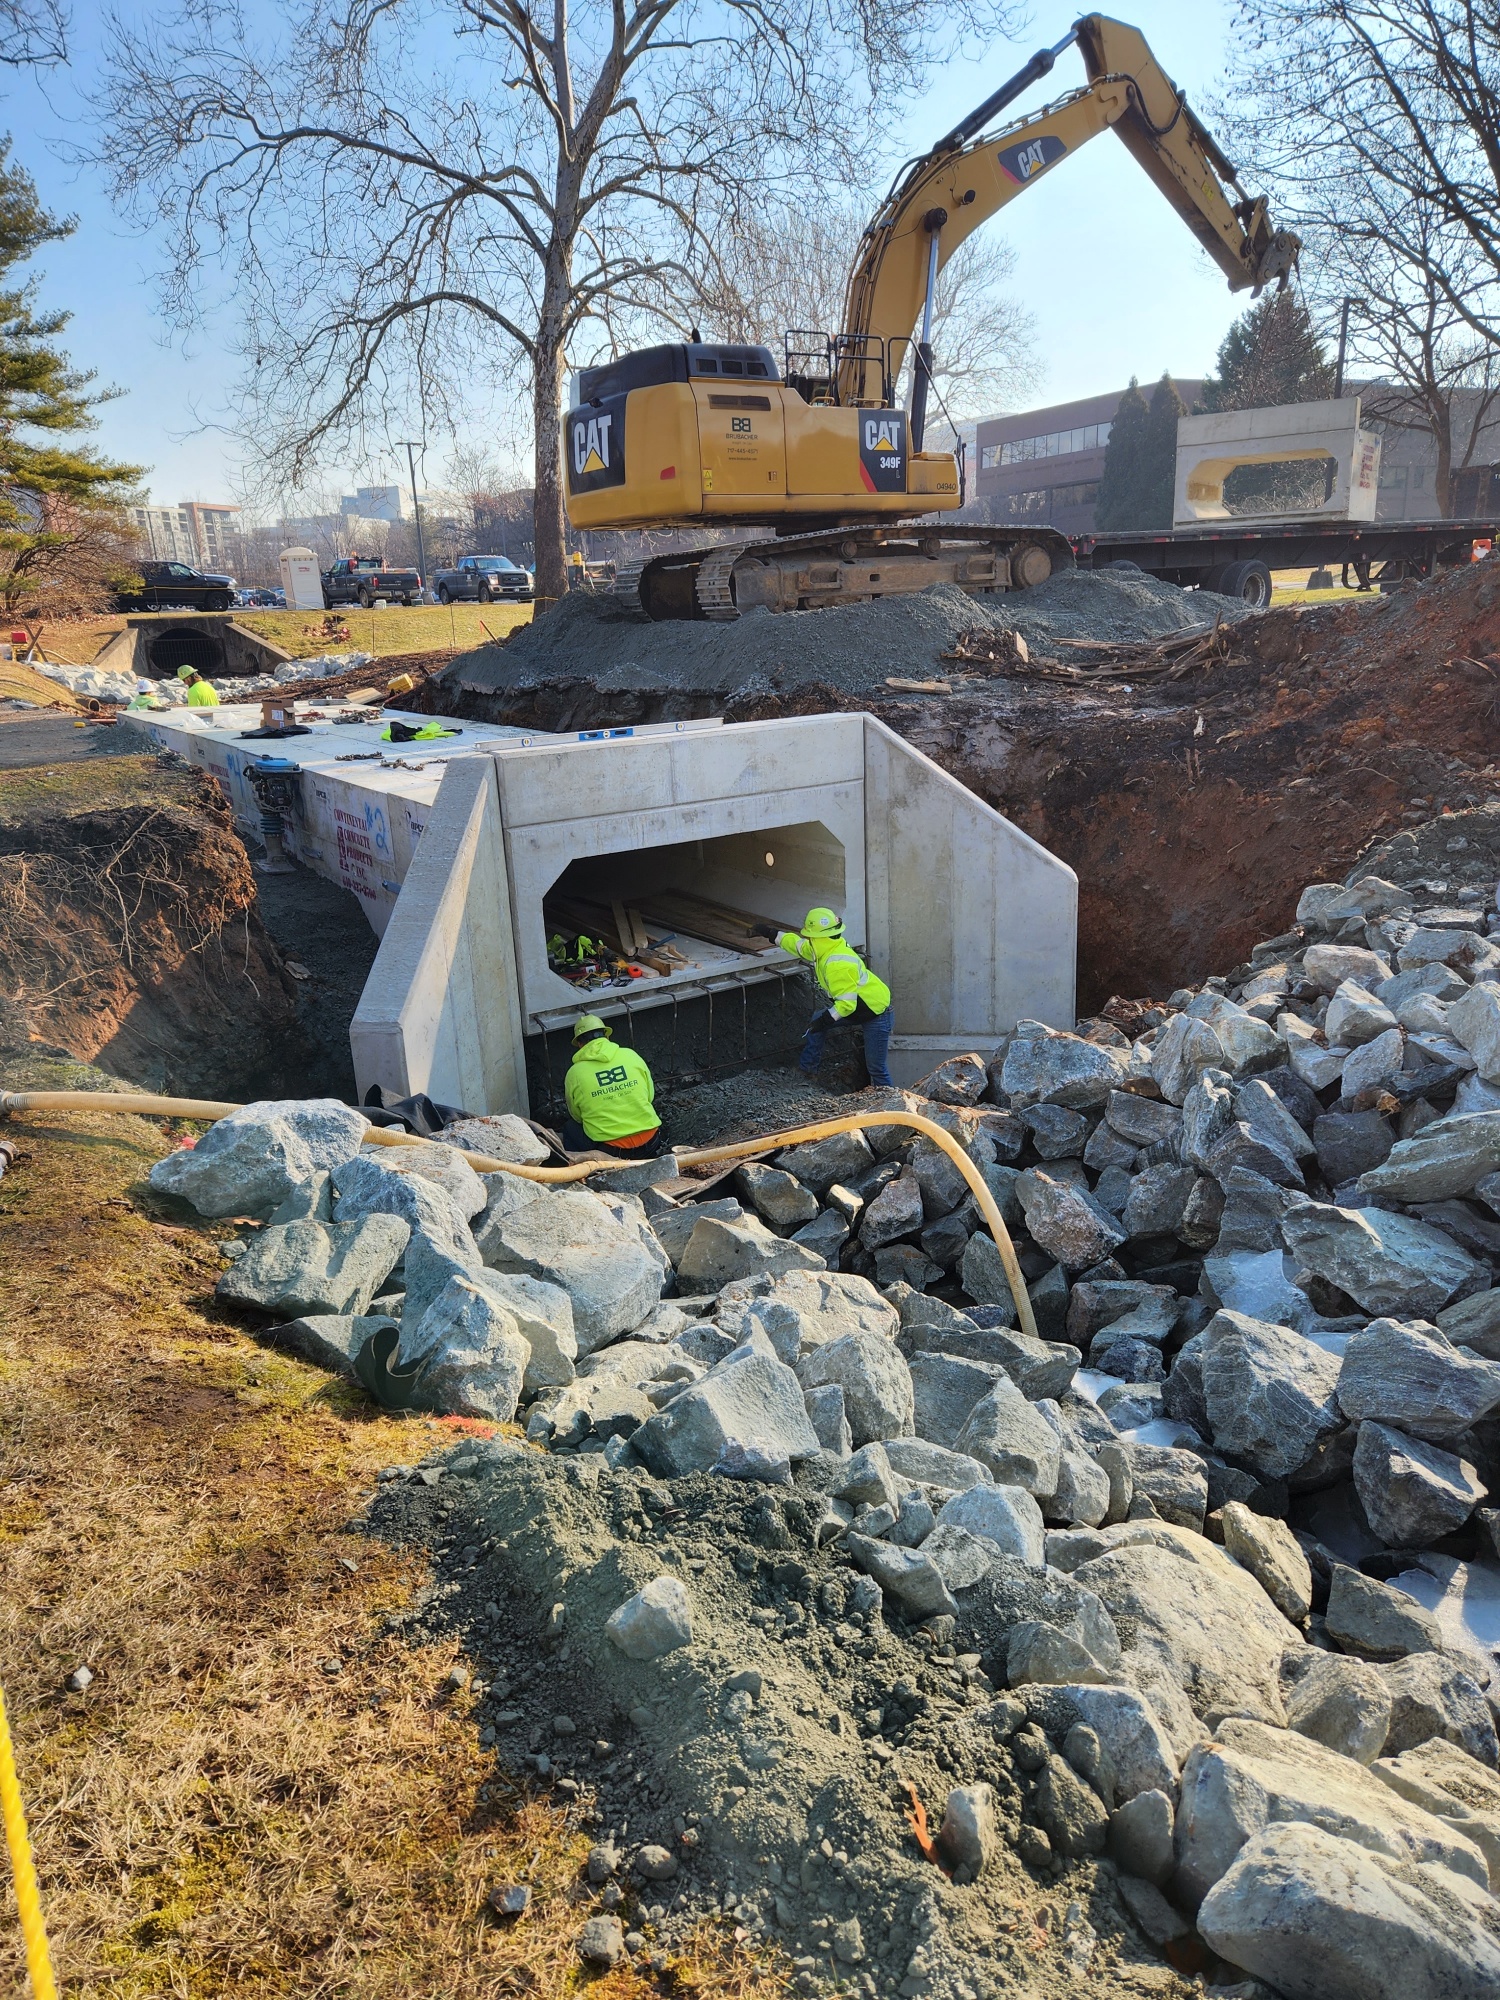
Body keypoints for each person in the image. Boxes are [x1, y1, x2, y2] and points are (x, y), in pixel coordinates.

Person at [763, 907, 894, 1089]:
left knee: (876, 1068)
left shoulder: (837, 964)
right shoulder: (824, 948)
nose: (808, 939)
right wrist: (772, 934)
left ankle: (892, 1106)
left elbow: (847, 1004)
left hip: (875, 1013)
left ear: (818, 937)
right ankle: (808, 1071)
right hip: (860, 1006)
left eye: (810, 935)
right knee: (818, 1019)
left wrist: (826, 1019)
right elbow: (798, 946)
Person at [563, 1015, 667, 1156]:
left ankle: (581, 1173)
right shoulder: (631, 1055)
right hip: (651, 1142)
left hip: (612, 1152)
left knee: (570, 1128)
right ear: (606, 1036)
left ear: (580, 1044)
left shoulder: (574, 1073)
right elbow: (649, 1096)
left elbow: (577, 1116)